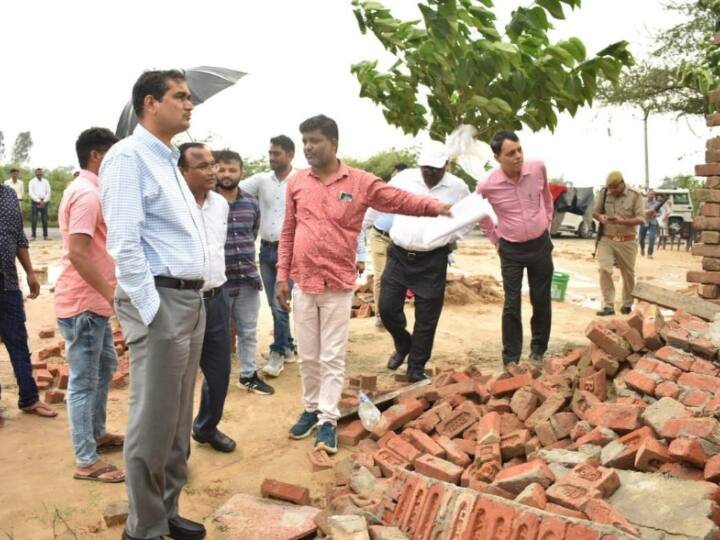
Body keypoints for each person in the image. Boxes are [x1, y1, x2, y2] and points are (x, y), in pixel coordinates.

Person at [278, 114, 451, 454]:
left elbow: (399, 200)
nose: (309, 147)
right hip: (303, 283)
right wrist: (282, 276)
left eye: (315, 141)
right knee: (307, 356)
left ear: (334, 143)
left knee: (331, 356)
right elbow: (288, 231)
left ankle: (327, 419)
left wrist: (435, 207)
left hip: (338, 285)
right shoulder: (297, 182)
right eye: (305, 142)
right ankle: (310, 408)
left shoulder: (360, 182)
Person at [100, 70, 209, 540]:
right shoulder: (128, 158)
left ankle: (167, 511)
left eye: (189, 97)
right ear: (150, 103)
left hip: (190, 300)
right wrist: (152, 313)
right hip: (161, 301)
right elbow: (124, 245)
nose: (189, 105)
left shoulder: (168, 160)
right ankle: (143, 529)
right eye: (180, 97)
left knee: (178, 417)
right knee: (152, 420)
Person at [55, 127, 125, 483]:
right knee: (82, 383)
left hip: (92, 303)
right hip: (84, 303)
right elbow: (78, 253)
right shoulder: (87, 194)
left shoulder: (91, 190)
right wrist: (110, 294)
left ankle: (97, 433)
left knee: (104, 366)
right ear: (97, 156)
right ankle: (86, 460)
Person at [371, 144, 470, 379]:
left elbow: (469, 217)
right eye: (426, 168)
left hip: (432, 260)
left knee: (426, 318)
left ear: (445, 166)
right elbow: (380, 201)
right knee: (386, 309)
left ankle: (416, 367)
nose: (430, 173)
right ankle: (404, 343)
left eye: (435, 169)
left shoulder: (458, 187)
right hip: (399, 255)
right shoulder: (404, 179)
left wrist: (453, 236)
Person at [177, 143, 237, 453]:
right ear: (182, 171)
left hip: (216, 298)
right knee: (179, 380)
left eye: (213, 164)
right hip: (181, 301)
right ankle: (176, 451)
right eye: (203, 166)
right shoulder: (172, 204)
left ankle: (206, 427)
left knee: (219, 373)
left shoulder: (220, 205)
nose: (212, 171)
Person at [477, 131, 554, 367]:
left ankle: (538, 350)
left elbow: (548, 199)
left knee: (541, 298)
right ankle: (511, 358)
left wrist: (547, 225)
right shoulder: (487, 185)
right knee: (512, 303)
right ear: (497, 157)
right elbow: (479, 214)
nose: (518, 156)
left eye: (520, 150)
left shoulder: (538, 167)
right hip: (510, 249)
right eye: (511, 153)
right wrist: (496, 240)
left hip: (540, 244)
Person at [215, 149, 275, 396]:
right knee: (217, 334)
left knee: (248, 331)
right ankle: (216, 379)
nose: (227, 174)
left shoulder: (251, 202)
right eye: (222, 169)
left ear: (241, 172)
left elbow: (252, 234)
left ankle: (248, 375)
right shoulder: (206, 202)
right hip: (218, 283)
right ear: (214, 170)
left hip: (248, 279)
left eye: (232, 170)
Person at [238, 136, 298, 377]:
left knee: (279, 302)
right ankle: (289, 347)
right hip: (266, 250)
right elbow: (233, 188)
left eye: (277, 153)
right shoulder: (262, 180)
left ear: (290, 155)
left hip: (290, 251)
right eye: (270, 153)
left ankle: (278, 352)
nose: (272, 157)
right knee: (275, 304)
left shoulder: (302, 179)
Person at [0, 183, 57, 418]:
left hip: (7, 283)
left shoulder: (9, 195)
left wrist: (30, 271)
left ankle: (29, 399)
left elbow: (18, 237)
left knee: (18, 343)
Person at [362, 162, 409, 329]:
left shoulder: (409, 197)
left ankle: (395, 313)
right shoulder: (382, 193)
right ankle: (380, 315)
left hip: (399, 240)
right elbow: (366, 216)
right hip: (379, 236)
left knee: (399, 278)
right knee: (381, 276)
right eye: (395, 177)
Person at [592, 170, 644, 316]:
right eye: (610, 188)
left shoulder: (635, 195)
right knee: (604, 269)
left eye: (615, 188)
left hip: (627, 240)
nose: (612, 191)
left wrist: (622, 221)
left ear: (622, 184)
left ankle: (627, 304)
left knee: (628, 274)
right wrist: (600, 217)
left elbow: (641, 218)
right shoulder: (603, 193)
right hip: (607, 239)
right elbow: (595, 212)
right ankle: (608, 305)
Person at [28, 167, 51, 240]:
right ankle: (33, 235)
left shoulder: (46, 181)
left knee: (44, 219)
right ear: (35, 174)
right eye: (38, 173)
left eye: (40, 173)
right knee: (34, 219)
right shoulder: (32, 182)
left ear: (42, 173)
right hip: (35, 202)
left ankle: (46, 235)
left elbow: (48, 192)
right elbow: (31, 193)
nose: (39, 174)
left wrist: (44, 201)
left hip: (44, 202)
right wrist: (39, 201)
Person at [639, 190, 659, 258]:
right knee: (641, 238)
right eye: (650, 194)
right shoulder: (643, 201)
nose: (651, 196)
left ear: (654, 195)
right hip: (644, 221)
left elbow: (660, 213)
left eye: (653, 194)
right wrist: (649, 211)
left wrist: (656, 214)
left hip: (652, 222)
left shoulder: (656, 203)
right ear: (647, 194)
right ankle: (642, 248)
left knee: (652, 237)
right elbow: (640, 211)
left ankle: (650, 253)